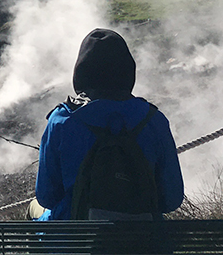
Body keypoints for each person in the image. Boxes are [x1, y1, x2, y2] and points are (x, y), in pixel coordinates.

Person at [33, 28, 184, 221]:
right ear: (128, 72)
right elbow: (171, 199)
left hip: (77, 242)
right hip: (145, 241)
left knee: (34, 209)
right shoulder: (154, 120)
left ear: (80, 73)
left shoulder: (62, 120)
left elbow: (47, 197)